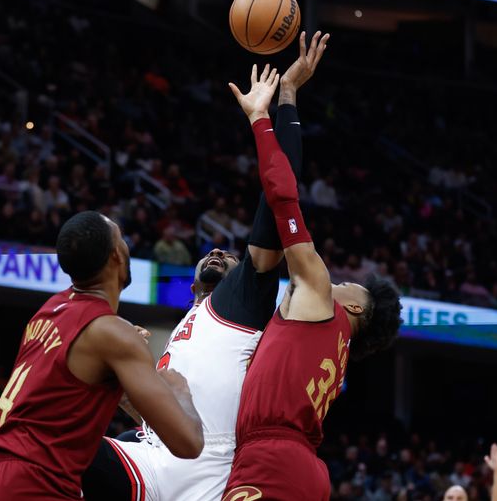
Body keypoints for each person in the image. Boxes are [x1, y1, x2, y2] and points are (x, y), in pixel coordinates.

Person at [82, 32, 327, 501]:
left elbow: (279, 196)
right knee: (55, 443)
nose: (217, 253)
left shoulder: (243, 296)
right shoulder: (185, 325)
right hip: (155, 449)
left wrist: (286, 102)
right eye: (210, 254)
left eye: (229, 255)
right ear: (192, 281)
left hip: (205, 463)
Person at [0, 211, 204, 501]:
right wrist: (181, 393)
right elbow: (188, 444)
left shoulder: (47, 312)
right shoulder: (113, 334)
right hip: (32, 486)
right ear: (117, 254)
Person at [222, 47, 403, 501]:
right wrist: (288, 93)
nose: (338, 280)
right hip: (292, 462)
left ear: (357, 306)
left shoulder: (320, 296)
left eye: (349, 285)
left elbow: (284, 197)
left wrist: (262, 118)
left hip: (273, 459)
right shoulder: (334, 347)